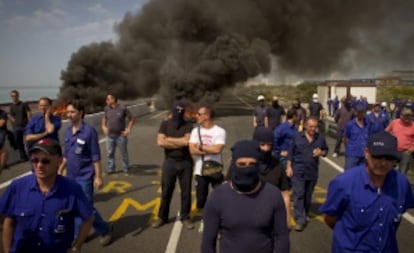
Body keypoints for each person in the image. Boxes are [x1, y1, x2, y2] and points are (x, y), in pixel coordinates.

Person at [319, 131, 414, 253]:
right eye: (378, 157)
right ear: (366, 153)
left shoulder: (402, 184)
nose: (383, 163)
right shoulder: (344, 183)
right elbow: (329, 217)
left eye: (389, 158)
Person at [0, 138, 94, 253]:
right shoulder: (17, 187)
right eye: (35, 160)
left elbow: (88, 218)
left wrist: (76, 247)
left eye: (46, 161)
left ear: (59, 162)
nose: (39, 165)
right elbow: (8, 222)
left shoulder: (72, 190)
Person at [201, 140, 289, 253]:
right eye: (241, 164)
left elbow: (282, 237)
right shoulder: (217, 197)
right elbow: (208, 242)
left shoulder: (273, 195)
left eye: (252, 164)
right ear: (234, 165)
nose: (247, 169)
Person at [58, 100, 113, 246]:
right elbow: (66, 154)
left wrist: (98, 177)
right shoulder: (68, 131)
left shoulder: (89, 132)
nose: (69, 115)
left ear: (81, 113)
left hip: (85, 177)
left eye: (72, 112)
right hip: (70, 177)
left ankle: (104, 229)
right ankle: (79, 234)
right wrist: (60, 168)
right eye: (67, 112)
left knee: (87, 208)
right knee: (74, 207)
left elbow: (95, 156)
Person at [152, 100, 194, 229]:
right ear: (172, 110)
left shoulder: (188, 124)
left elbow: (187, 142)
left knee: (186, 192)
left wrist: (168, 139)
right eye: (177, 111)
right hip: (169, 162)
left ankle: (185, 217)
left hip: (185, 162)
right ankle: (162, 217)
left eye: (181, 111)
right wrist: (179, 142)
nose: (179, 113)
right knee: (166, 191)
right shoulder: (165, 124)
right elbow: (160, 142)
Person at [286, 117, 328, 232]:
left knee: (307, 195)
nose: (313, 129)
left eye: (315, 127)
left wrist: (321, 152)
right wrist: (289, 167)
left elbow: (325, 150)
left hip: (312, 171)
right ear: (305, 126)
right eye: (311, 126)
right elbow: (291, 153)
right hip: (298, 170)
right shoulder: (297, 137)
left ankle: (304, 211)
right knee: (299, 194)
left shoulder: (320, 138)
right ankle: (300, 220)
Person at [253, 127, 292, 228]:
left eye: (269, 145)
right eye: (262, 145)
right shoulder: (244, 162)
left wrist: (287, 221)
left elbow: (285, 194)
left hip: (270, 218)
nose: (266, 149)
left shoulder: (277, 165)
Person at [101, 94, 134, 174]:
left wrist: (128, 129)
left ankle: (126, 168)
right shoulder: (106, 109)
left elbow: (131, 119)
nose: (106, 101)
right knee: (110, 153)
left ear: (113, 99)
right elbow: (104, 118)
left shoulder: (123, 108)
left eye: (108, 99)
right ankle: (111, 169)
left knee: (124, 153)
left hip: (121, 136)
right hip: (109, 136)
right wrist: (103, 127)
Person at [386, 107, 414, 175]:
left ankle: (400, 184)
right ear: (401, 115)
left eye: (409, 116)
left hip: (406, 152)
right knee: (389, 170)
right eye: (405, 116)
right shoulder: (394, 122)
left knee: (402, 172)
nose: (407, 118)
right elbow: (386, 132)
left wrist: (412, 148)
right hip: (393, 150)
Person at [343, 104, 370, 170]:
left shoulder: (368, 124)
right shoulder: (350, 124)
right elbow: (345, 138)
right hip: (352, 154)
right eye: (359, 112)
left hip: (363, 155)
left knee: (362, 175)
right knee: (349, 174)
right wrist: (350, 147)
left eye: (362, 112)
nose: (361, 114)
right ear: (355, 113)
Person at [9, 90, 32, 161]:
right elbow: (11, 115)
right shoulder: (11, 106)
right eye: (12, 96)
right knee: (18, 142)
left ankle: (31, 155)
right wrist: (12, 119)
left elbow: (28, 113)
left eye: (15, 96)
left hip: (25, 126)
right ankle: (23, 157)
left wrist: (30, 124)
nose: (14, 97)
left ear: (18, 96)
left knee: (28, 142)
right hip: (16, 127)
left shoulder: (23, 104)